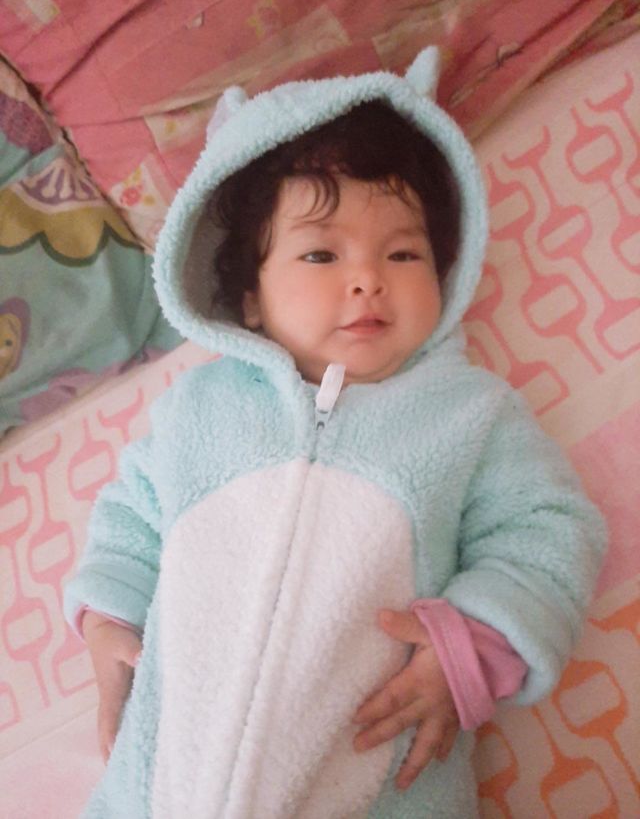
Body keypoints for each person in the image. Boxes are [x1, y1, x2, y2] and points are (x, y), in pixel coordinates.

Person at [64, 47, 606, 818]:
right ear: (250, 296)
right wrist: (108, 616)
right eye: (321, 253)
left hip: (381, 779)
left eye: (403, 252)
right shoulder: (199, 409)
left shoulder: (467, 413)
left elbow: (550, 530)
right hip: (155, 787)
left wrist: (472, 646)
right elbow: (130, 515)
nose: (367, 278)